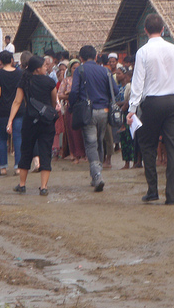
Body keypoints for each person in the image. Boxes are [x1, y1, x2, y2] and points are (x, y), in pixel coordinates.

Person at [127, 13, 174, 205]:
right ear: (163, 29)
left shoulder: (143, 52)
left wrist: (132, 108)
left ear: (145, 31)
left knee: (148, 146)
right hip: (172, 102)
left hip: (151, 103)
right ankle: (172, 195)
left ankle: (152, 190)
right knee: (173, 148)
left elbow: (137, 84)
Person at [69, 45, 118, 192]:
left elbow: (74, 92)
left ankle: (97, 176)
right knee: (99, 142)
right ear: (96, 57)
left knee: (90, 144)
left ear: (81, 58)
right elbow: (115, 91)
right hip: (104, 111)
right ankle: (96, 175)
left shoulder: (80, 70)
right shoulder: (106, 71)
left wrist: (73, 106)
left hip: (88, 112)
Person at [9, 55, 59, 196]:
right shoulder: (50, 82)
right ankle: (43, 187)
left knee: (26, 151)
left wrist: (10, 120)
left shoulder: (24, 81)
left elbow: (17, 102)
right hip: (46, 123)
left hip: (29, 121)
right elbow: (53, 101)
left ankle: (22, 184)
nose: (46, 67)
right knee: (45, 152)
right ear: (37, 69)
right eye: (44, 66)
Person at [0, 50, 24, 176]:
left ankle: (3, 167)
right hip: (18, 109)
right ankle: (18, 167)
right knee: (17, 137)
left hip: (3, 110)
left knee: (2, 138)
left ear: (0, 61)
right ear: (12, 60)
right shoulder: (19, 73)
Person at [58, 59, 86, 163]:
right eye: (74, 68)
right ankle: (75, 154)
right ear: (70, 69)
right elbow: (59, 94)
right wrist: (69, 96)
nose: (76, 70)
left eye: (78, 68)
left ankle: (84, 155)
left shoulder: (84, 79)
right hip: (71, 108)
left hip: (82, 108)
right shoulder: (66, 80)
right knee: (72, 131)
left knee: (83, 132)